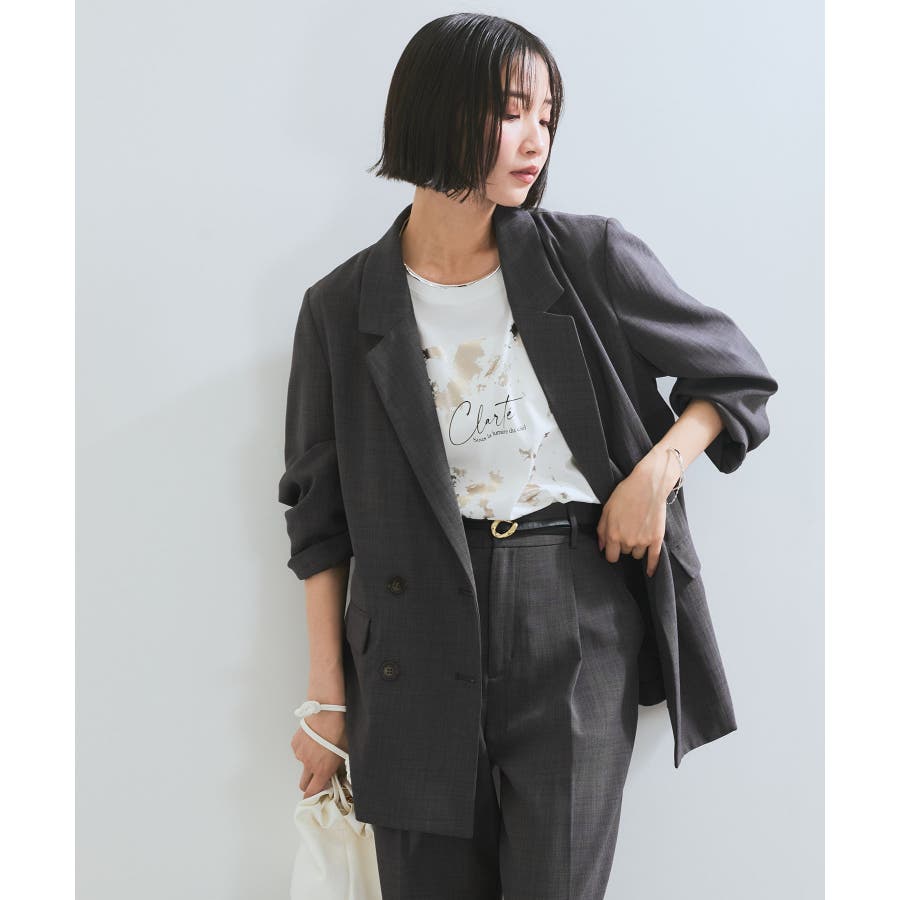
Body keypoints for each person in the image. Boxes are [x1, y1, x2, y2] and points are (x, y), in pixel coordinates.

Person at [281, 12, 778, 900]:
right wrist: (327, 701)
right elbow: (320, 523)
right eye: (512, 111)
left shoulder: (586, 257)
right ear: (438, 109)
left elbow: (735, 375)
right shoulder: (340, 307)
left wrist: (655, 476)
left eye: (547, 116)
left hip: (572, 611)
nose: (536, 138)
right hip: (411, 634)